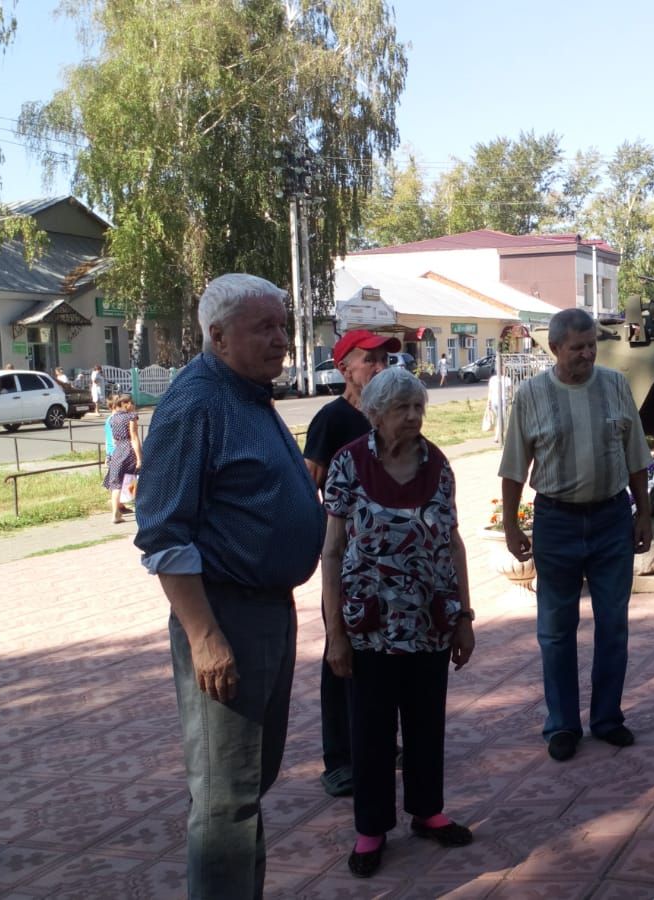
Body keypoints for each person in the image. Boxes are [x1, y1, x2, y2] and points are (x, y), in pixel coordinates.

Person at [135, 273, 324, 899]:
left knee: (250, 781)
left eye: (282, 325)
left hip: (266, 612)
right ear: (218, 336)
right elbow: (163, 535)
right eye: (264, 328)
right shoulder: (195, 405)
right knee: (225, 796)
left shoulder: (247, 392)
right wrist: (204, 636)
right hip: (225, 617)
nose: (281, 341)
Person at [321, 366, 477, 878]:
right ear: (375, 414)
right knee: (370, 732)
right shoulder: (348, 464)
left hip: (429, 621)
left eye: (418, 408)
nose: (413, 417)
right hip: (369, 627)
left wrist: (464, 617)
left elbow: (452, 542)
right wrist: (334, 635)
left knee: (426, 722)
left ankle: (427, 812)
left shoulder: (439, 464)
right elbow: (333, 551)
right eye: (402, 409)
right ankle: (371, 829)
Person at [498, 308, 652, 762]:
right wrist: (510, 524)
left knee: (614, 625)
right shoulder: (531, 394)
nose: (587, 354)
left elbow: (636, 455)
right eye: (577, 347)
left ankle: (607, 719)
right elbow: (513, 467)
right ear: (555, 349)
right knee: (556, 630)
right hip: (556, 522)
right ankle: (562, 725)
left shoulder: (615, 385)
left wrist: (643, 514)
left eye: (592, 346)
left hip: (610, 520)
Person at [302, 328, 399, 799]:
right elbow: (307, 488)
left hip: (395, 566)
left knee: (390, 652)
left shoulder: (392, 417)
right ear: (344, 369)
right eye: (370, 360)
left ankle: (382, 742)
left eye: (385, 359)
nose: (380, 367)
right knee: (340, 656)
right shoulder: (332, 419)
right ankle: (339, 759)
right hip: (346, 565)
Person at [103, 394, 142, 524]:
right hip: (129, 450)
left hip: (117, 451)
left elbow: (114, 439)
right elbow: (134, 438)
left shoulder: (113, 418)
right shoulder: (131, 417)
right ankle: (140, 510)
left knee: (116, 484)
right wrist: (139, 458)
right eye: (132, 403)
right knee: (132, 480)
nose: (134, 405)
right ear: (126, 404)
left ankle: (115, 514)